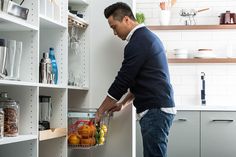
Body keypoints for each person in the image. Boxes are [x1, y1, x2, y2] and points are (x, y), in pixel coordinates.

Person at [96, 2, 176, 157]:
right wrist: (122, 104)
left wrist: (101, 110)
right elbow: (141, 81)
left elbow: (122, 81)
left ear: (126, 19)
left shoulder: (139, 42)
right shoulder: (145, 38)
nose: (114, 33)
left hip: (155, 109)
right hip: (158, 107)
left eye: (114, 27)